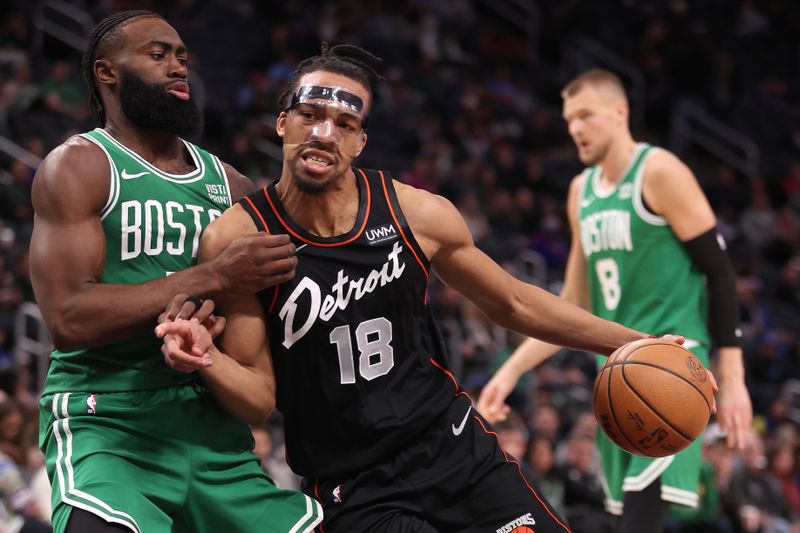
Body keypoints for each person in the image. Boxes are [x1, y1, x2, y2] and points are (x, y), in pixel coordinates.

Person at [157, 45, 715, 532]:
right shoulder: (239, 239)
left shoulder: (415, 214)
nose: (323, 133)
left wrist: (630, 344)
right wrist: (205, 359)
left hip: (452, 446)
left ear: (360, 141)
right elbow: (257, 399)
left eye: (343, 124)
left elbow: (513, 301)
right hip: (353, 485)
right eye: (309, 115)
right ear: (282, 124)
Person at [29, 10, 321, 533]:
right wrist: (213, 277)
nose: (178, 67)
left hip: (214, 432)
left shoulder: (228, 185)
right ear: (107, 73)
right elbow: (69, 319)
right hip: (110, 423)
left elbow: (257, 360)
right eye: (158, 55)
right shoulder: (81, 165)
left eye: (182, 57)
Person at [477, 69, 752, 533]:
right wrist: (510, 370)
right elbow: (573, 306)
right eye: (568, 120)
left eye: (585, 115)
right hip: (619, 377)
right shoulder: (580, 193)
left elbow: (720, 272)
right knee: (624, 519)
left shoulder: (660, 171)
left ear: (620, 112)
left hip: (674, 367)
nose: (575, 129)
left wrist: (733, 372)